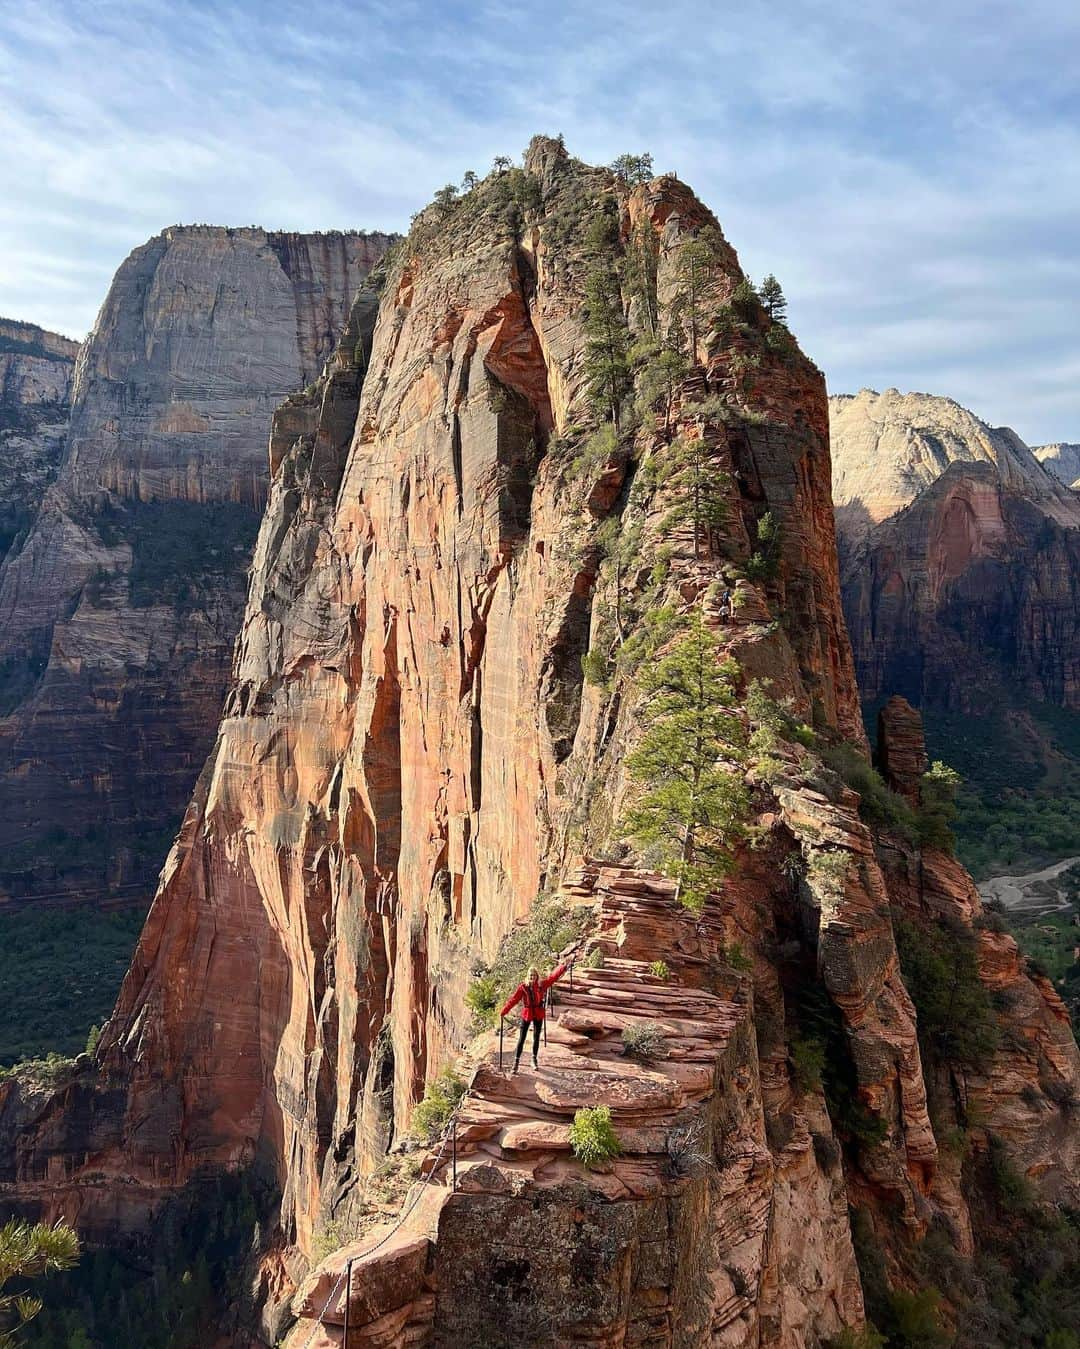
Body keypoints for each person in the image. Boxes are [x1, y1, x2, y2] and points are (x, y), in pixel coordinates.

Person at [500, 961, 569, 1073]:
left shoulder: (542, 985)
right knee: (521, 1039)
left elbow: (553, 978)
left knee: (536, 1037)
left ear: (537, 976)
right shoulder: (522, 987)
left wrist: (563, 967)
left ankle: (534, 1059)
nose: (532, 977)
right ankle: (516, 1062)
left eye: (534, 975)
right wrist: (504, 1011)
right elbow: (514, 1000)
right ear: (528, 976)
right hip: (527, 1013)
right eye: (530, 975)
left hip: (538, 1012)